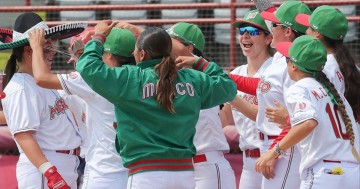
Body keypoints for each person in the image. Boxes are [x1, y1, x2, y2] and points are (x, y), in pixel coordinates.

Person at [76, 20, 237, 189]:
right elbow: (229, 88)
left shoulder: (130, 78)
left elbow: (87, 67)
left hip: (146, 173)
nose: (133, 53)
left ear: (143, 54)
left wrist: (99, 36)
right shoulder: (192, 78)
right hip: (184, 173)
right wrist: (198, 62)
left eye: (136, 50)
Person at [29, 27, 136, 189]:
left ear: (107, 55)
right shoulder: (146, 75)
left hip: (104, 172)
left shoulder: (95, 79)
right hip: (137, 171)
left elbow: (42, 78)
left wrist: (36, 47)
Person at [256, 35, 360, 189]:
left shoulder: (300, 87)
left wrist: (274, 151)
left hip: (325, 174)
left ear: (294, 66)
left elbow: (309, 123)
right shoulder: (334, 94)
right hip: (352, 174)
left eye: (287, 59)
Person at [228, 1, 311, 189]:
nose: (271, 28)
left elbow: (296, 119)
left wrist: (276, 151)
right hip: (266, 150)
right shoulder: (283, 57)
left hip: (281, 148)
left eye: (273, 26)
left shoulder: (294, 65)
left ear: (288, 31)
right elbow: (258, 86)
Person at [0, 12, 85, 189]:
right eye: (45, 47)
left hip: (65, 163)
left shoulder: (43, 81)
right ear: (29, 50)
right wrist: (50, 173)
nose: (53, 52)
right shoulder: (21, 87)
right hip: (44, 167)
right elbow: (24, 136)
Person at [166, 22, 236, 189]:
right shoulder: (172, 77)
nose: (167, 45)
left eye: (172, 40)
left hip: (207, 166)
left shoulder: (204, 78)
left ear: (189, 48)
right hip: (182, 168)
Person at [221, 9, 273, 189]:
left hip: (274, 158)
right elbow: (224, 118)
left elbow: (264, 117)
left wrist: (231, 95)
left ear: (269, 38)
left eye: (252, 32)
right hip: (248, 162)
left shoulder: (275, 70)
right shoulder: (237, 73)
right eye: (242, 31)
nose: (245, 36)